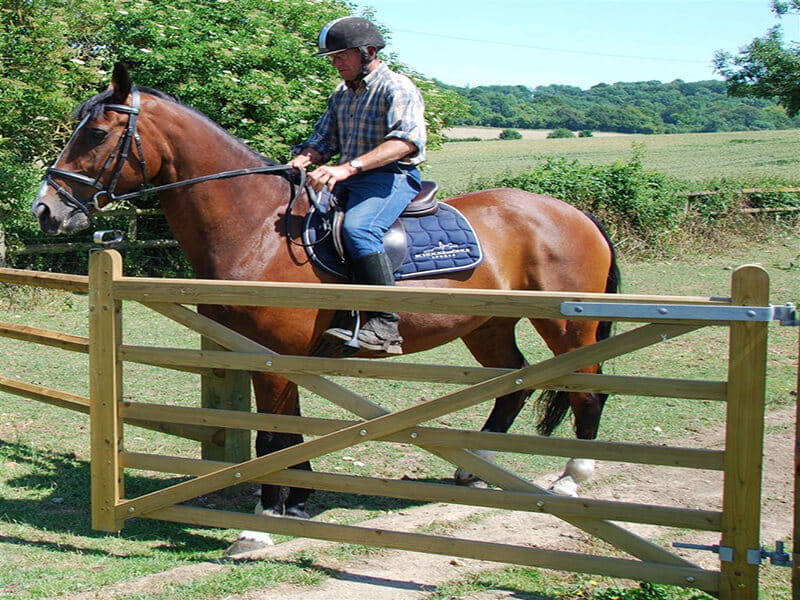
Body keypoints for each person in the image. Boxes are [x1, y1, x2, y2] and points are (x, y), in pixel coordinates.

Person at [289, 16, 427, 356]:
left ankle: (384, 323)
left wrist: (348, 167)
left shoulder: (397, 87)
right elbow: (323, 140)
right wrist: (304, 159)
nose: (335, 63)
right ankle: (343, 308)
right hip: (348, 177)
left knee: (359, 229)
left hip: (391, 176)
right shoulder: (341, 94)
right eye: (332, 58)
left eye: (341, 56)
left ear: (367, 52)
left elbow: (405, 142)